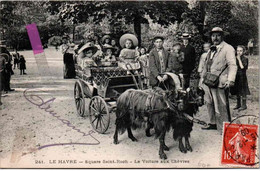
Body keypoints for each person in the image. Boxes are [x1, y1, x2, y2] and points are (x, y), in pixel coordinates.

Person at [200, 27, 237, 133]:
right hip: (208, 81)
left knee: (221, 105)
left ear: (222, 36)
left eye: (218, 35)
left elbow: (232, 65)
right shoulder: (211, 49)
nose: (215, 38)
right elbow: (206, 65)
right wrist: (201, 81)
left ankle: (224, 128)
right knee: (209, 102)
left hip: (220, 81)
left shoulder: (228, 48)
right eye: (213, 35)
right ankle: (213, 123)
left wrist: (230, 80)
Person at [231, 45, 250, 111]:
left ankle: (244, 105)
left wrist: (239, 59)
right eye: (238, 51)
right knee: (237, 90)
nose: (239, 52)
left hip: (242, 76)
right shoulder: (235, 58)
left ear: (244, 51)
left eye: (240, 51)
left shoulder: (245, 59)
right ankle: (238, 104)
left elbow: (242, 67)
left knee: (243, 90)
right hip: (236, 76)